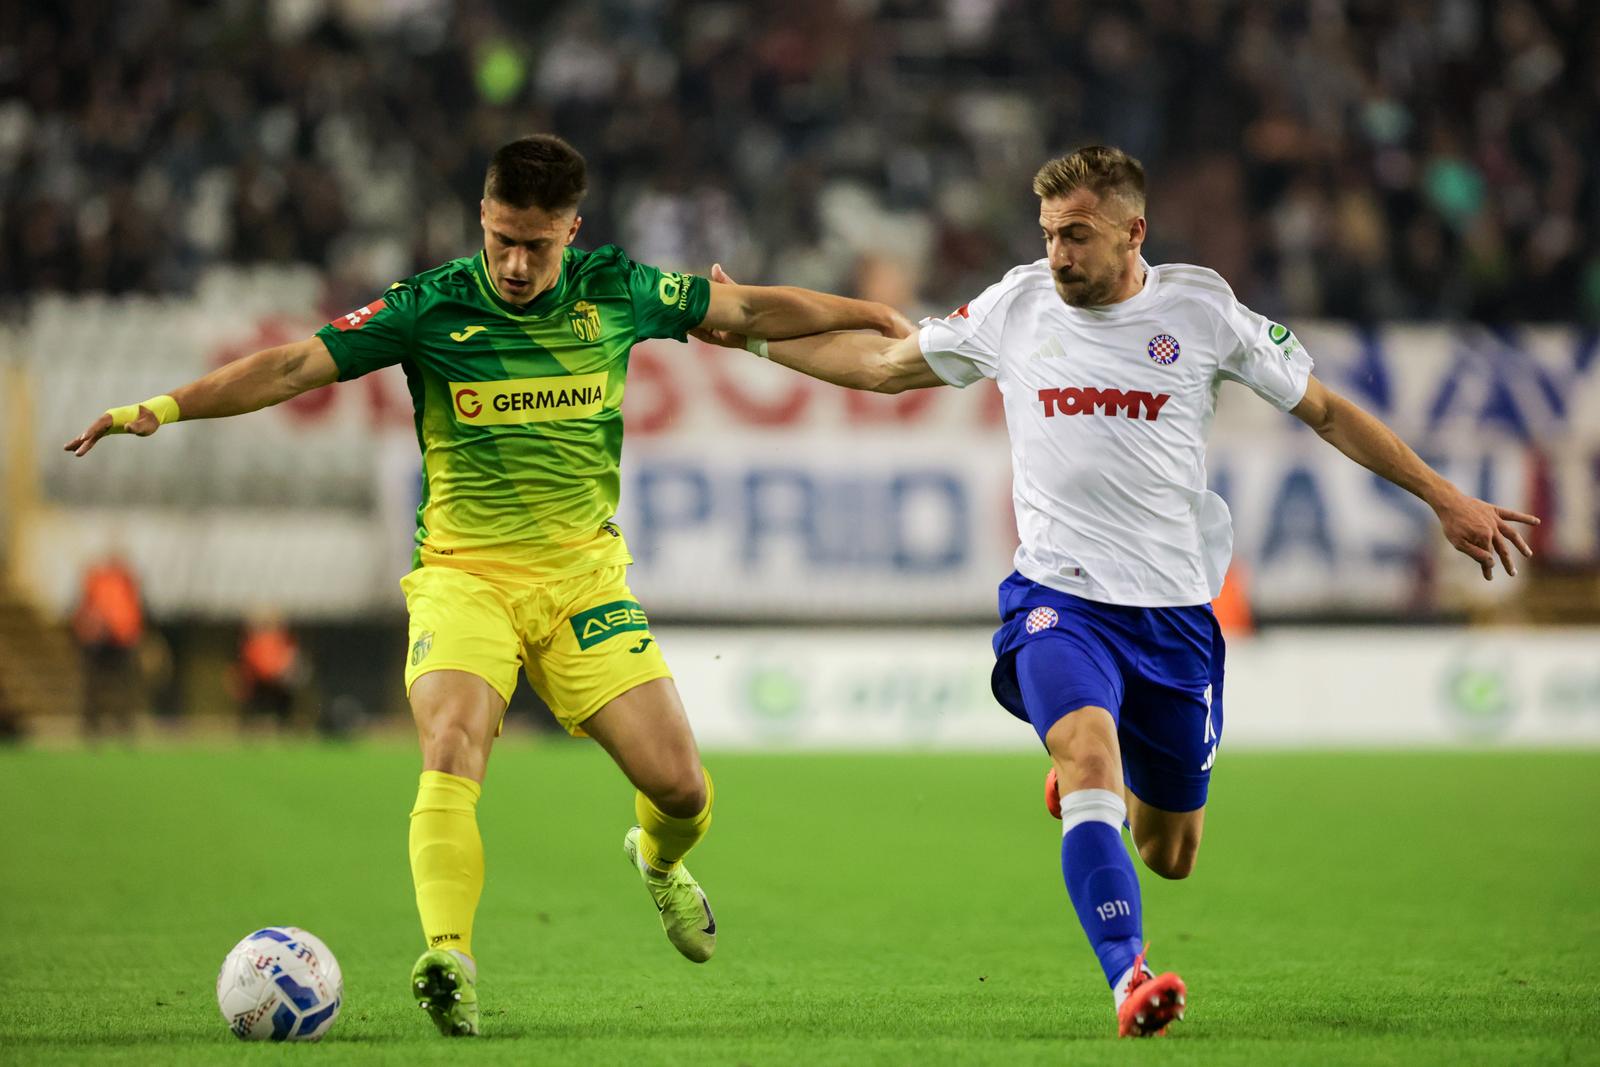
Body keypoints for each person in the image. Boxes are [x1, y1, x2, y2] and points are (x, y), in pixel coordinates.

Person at [66, 133, 913, 1037]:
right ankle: (449, 957)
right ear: (482, 215)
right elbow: (288, 367)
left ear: (571, 230)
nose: (515, 262)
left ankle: (659, 864)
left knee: (681, 789)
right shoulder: (427, 309)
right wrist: (159, 408)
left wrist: (863, 308)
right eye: (502, 238)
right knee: (452, 743)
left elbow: (745, 306)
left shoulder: (617, 289)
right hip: (464, 579)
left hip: (584, 581)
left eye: (537, 244)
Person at [691, 145, 1539, 1038]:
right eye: (1051, 233)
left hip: (1174, 615)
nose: (1059, 254)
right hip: (1058, 600)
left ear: (1135, 231)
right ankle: (1127, 975)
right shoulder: (1016, 304)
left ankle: (1099, 788)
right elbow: (882, 363)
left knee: (1169, 851)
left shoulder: (1202, 310)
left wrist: (1444, 497)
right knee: (1089, 763)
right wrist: (749, 336)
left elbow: (1323, 408)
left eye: (1079, 236)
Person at [71, 553, 147, 739]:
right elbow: (85, 609)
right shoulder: (96, 582)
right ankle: (92, 724)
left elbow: (134, 612)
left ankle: (123, 723)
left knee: (124, 685)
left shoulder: (126, 583)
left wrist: (132, 633)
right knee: (94, 685)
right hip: (98, 640)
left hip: (122, 640)